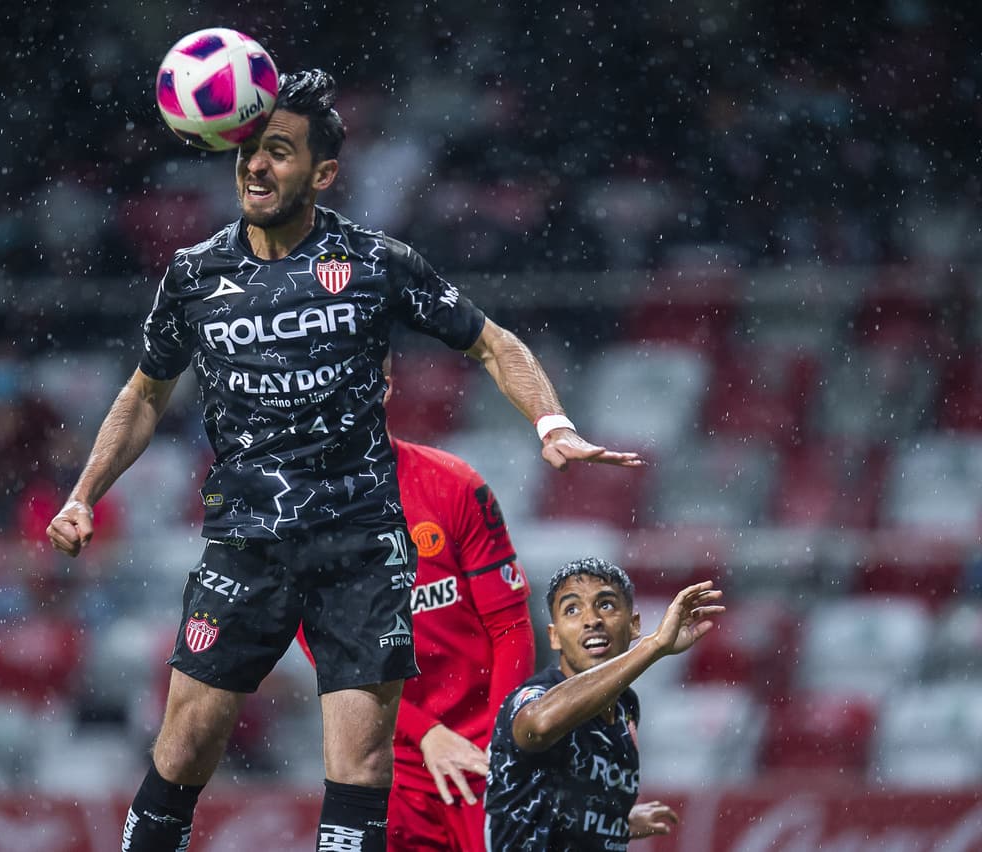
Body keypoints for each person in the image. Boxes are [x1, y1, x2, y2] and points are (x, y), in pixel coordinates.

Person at [46, 69, 642, 852]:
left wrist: (551, 422)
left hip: (362, 548)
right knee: (185, 745)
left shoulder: (373, 261)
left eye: (280, 153)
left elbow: (492, 341)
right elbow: (146, 393)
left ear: (322, 174)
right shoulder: (194, 275)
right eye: (247, 152)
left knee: (359, 765)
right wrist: (86, 490)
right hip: (248, 545)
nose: (256, 167)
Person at [297, 356, 537, 851]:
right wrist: (425, 734)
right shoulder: (299, 517)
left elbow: (510, 626)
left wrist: (503, 743)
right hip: (387, 767)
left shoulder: (455, 486)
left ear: (383, 387)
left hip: (485, 756)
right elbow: (331, 658)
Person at [484, 558, 724, 851]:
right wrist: (654, 646)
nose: (592, 620)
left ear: (633, 624)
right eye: (572, 609)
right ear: (554, 636)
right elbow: (539, 726)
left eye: (606, 605)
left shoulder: (626, 706)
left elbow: (568, 794)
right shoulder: (534, 696)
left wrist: (614, 821)